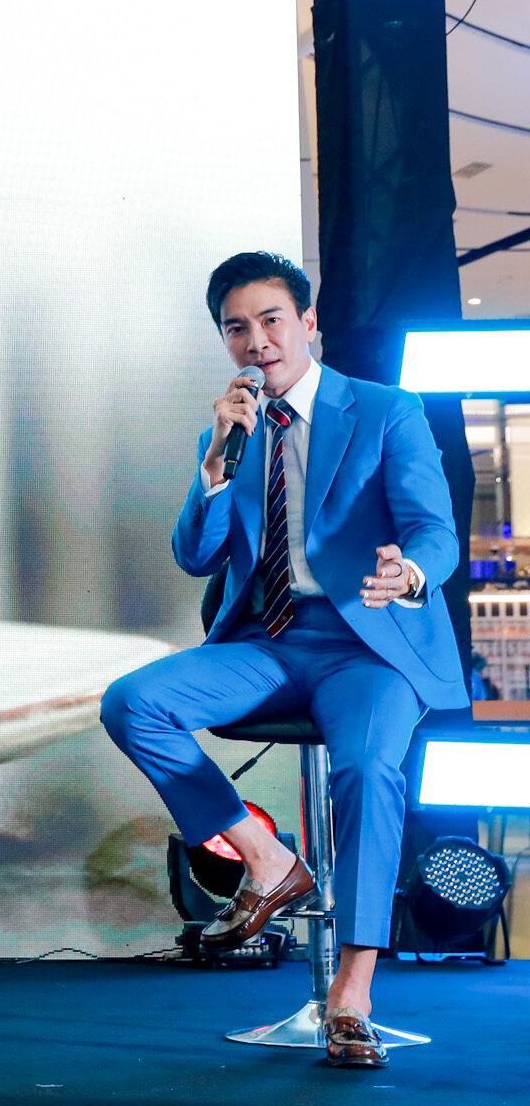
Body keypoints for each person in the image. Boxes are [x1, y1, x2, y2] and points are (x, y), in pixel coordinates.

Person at [100, 252, 463, 1070]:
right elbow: (197, 556)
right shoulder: (230, 432)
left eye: (271, 320)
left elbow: (434, 532)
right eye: (237, 328)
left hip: (369, 643)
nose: (256, 341)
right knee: (132, 702)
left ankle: (352, 996)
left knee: (366, 770)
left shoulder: (385, 411)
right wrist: (213, 466)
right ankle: (268, 860)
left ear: (308, 324)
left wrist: (409, 571)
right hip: (268, 639)